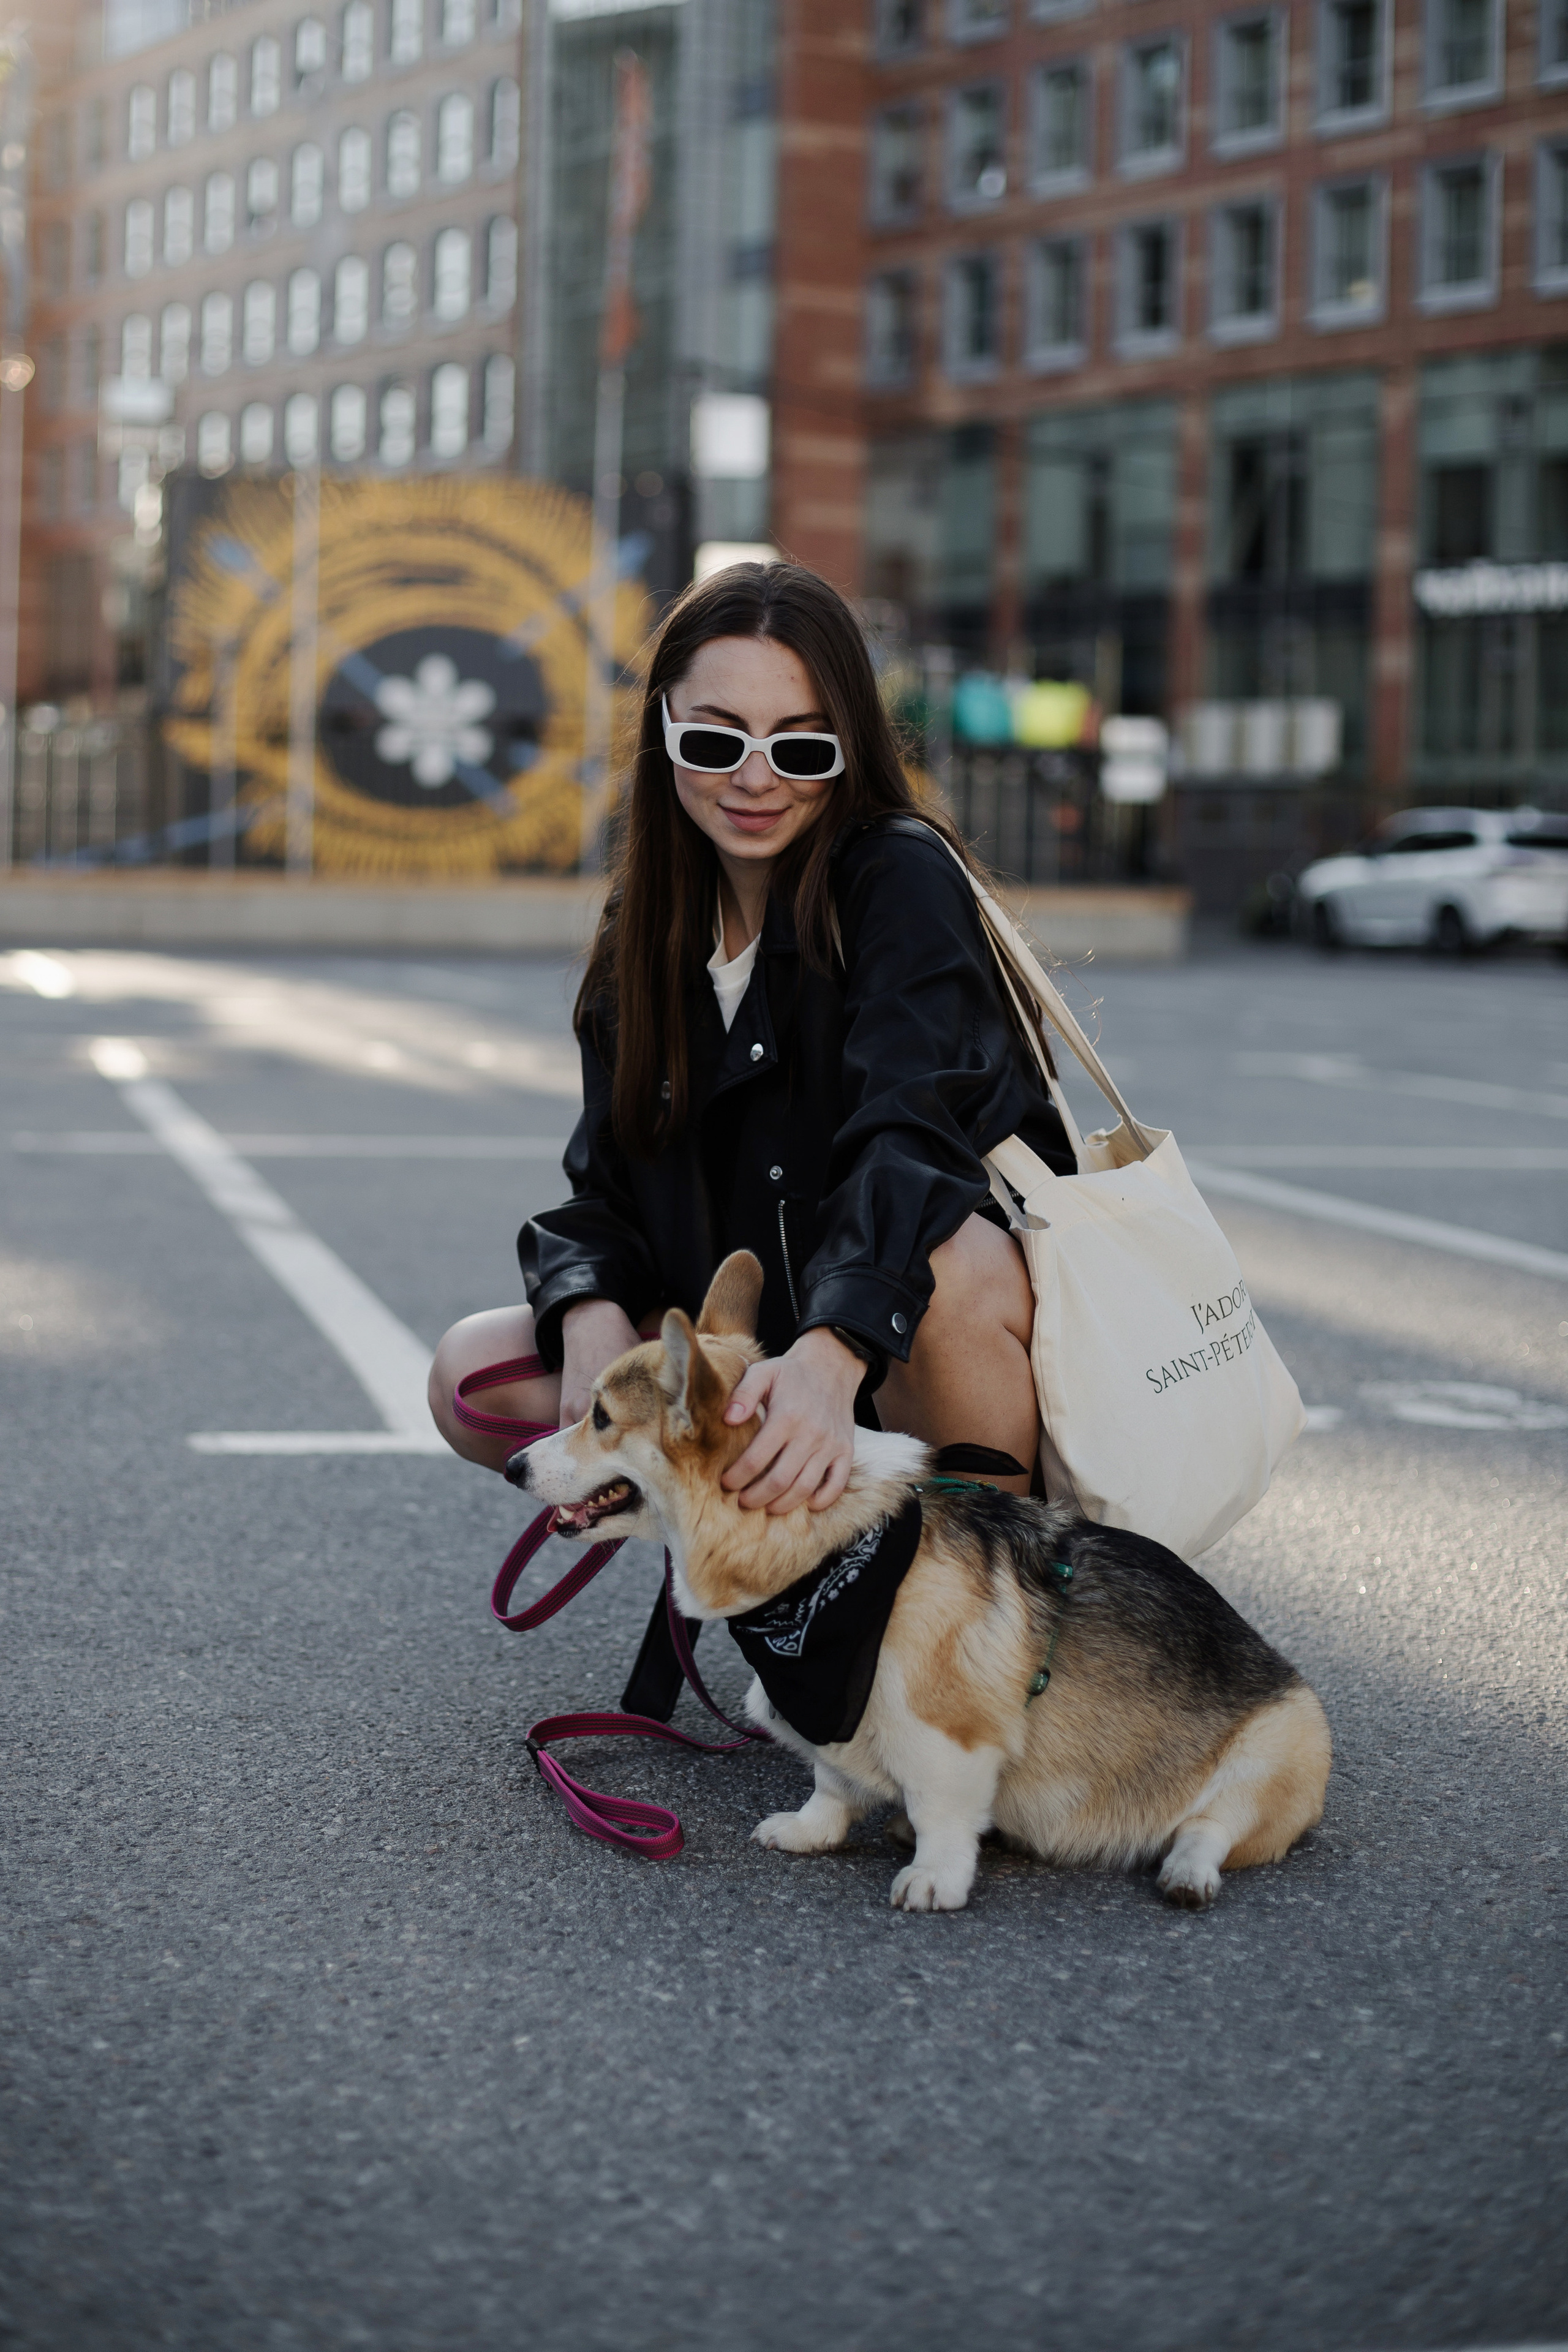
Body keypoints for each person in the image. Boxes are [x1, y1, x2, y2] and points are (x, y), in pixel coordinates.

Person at [428, 560, 1075, 1716]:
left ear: (849, 748)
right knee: (471, 1374)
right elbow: (604, 1185)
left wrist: (832, 1352)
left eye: (802, 746)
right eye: (718, 740)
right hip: (757, 1349)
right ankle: (795, 1586)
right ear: (664, 734)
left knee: (957, 1266)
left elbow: (911, 1136)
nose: (758, 777)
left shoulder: (898, 877)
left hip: (898, 1338)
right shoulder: (647, 929)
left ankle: (1001, 1644)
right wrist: (586, 1308)